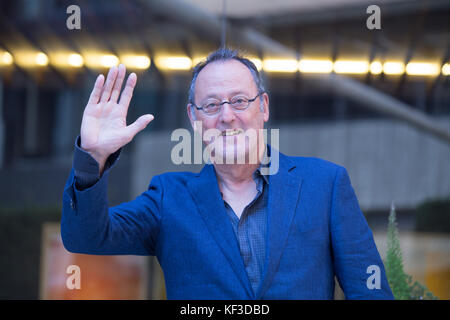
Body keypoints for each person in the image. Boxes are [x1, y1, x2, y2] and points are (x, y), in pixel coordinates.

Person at [61, 48, 394, 300]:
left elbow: (370, 291)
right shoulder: (168, 198)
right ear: (194, 117)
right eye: (211, 105)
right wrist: (93, 158)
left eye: (239, 101)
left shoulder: (325, 184)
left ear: (263, 107)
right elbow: (85, 237)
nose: (227, 117)